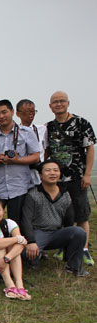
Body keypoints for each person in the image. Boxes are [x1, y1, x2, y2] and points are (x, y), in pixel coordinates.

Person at [46, 91, 96, 266]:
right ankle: (64, 245)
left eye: (62, 101)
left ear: (68, 103)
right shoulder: (49, 127)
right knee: (61, 214)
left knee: (81, 213)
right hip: (56, 179)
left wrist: (87, 174)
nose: (59, 104)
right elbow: (47, 151)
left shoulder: (82, 123)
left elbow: (90, 149)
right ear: (50, 106)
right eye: (55, 102)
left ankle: (84, 249)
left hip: (77, 176)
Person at [22, 160, 88, 276]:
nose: (52, 173)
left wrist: (68, 243)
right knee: (28, 257)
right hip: (38, 232)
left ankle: (74, 268)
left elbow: (69, 220)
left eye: (56, 170)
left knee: (79, 232)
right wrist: (31, 241)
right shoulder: (33, 194)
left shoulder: (65, 194)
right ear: (40, 175)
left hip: (56, 233)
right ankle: (35, 259)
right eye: (48, 170)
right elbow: (26, 219)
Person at [0, 100, 39, 225]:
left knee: (18, 223)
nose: (1, 116)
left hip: (20, 186)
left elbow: (36, 157)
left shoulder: (26, 132)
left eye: (4, 112)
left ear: (12, 112)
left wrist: (16, 160)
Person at [16, 99, 48, 186]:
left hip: (40, 174)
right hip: (22, 174)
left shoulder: (42, 129)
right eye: (27, 111)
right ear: (18, 114)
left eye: (33, 111)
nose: (30, 114)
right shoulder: (14, 132)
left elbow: (47, 150)